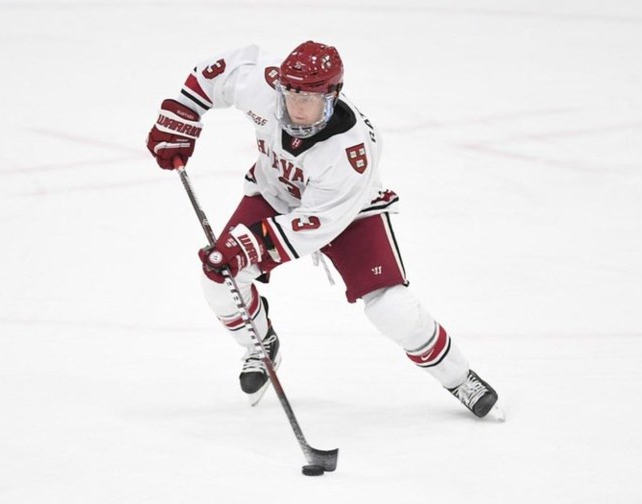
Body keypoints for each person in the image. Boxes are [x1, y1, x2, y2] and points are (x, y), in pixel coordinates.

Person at [146, 41, 503, 419]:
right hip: (276, 192)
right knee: (220, 277)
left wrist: (248, 245)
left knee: (392, 308)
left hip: (349, 214)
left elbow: (315, 224)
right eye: (292, 92)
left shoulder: (352, 152)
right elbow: (220, 72)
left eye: (310, 96)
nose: (297, 105)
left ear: (332, 95)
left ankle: (459, 378)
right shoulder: (266, 85)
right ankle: (261, 344)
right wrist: (185, 109)